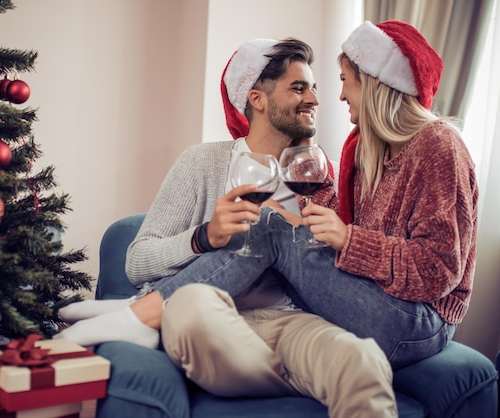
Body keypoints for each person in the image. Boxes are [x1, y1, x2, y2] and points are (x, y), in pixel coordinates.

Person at [57, 37, 397, 417]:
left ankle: (291, 374)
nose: (315, 99)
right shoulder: (203, 163)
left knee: (361, 358)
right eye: (298, 88)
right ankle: (146, 317)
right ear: (257, 99)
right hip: (217, 319)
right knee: (188, 303)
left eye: (314, 88)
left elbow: (336, 271)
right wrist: (205, 237)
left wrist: (322, 236)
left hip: (295, 322)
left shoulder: (318, 172)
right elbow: (137, 262)